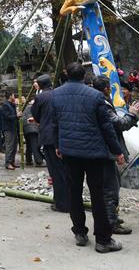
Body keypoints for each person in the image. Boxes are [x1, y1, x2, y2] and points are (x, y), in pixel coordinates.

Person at [51, 62, 125, 253]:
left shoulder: (56, 94)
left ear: (67, 75)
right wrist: (117, 151)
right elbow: (107, 127)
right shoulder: (95, 96)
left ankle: (79, 232)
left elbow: (55, 123)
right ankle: (103, 239)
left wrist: (58, 145)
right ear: (84, 76)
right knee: (97, 194)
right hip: (93, 153)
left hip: (69, 151)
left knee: (74, 192)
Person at [92, 76, 139, 235]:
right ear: (106, 89)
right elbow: (118, 125)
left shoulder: (95, 100)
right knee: (110, 189)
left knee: (111, 185)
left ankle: (111, 215)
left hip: (99, 150)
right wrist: (132, 114)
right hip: (106, 151)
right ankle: (110, 222)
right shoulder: (103, 104)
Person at [32, 74, 69, 213]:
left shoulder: (40, 97)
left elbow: (35, 114)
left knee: (55, 171)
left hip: (48, 137)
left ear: (40, 86)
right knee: (64, 170)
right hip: (62, 135)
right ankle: (68, 199)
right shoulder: (59, 94)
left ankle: (61, 203)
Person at [0, 92, 18, 169]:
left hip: (14, 127)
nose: (14, 97)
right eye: (13, 95)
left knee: (14, 146)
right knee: (9, 146)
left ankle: (12, 161)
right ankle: (8, 162)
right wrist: (16, 116)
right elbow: (7, 116)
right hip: (8, 128)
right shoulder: (5, 105)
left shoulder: (12, 105)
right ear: (10, 96)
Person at [22, 99, 44, 166]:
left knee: (29, 145)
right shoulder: (33, 108)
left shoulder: (26, 108)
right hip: (33, 128)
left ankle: (28, 160)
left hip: (26, 128)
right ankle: (38, 160)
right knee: (35, 145)